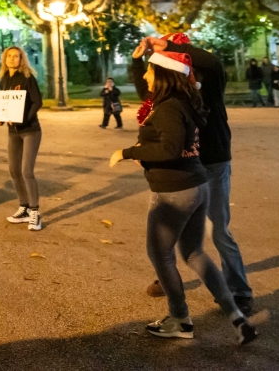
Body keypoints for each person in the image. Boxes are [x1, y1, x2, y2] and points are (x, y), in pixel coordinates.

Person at [110, 49, 257, 345]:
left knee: (160, 254)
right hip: (195, 185)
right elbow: (176, 145)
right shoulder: (183, 101)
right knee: (193, 253)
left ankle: (179, 318)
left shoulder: (168, 108)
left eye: (149, 72)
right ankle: (237, 319)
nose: (145, 77)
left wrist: (128, 153)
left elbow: (170, 148)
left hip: (173, 191)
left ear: (163, 75)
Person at [0, 46, 43, 231]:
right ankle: (23, 207)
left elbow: (37, 102)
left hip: (30, 130)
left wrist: (24, 119)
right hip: (13, 132)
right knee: (14, 171)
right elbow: (4, 104)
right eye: (9, 56)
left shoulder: (27, 78)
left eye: (16, 56)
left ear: (21, 59)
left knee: (26, 171)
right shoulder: (4, 79)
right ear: (5, 59)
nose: (12, 59)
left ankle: (35, 212)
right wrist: (0, 118)